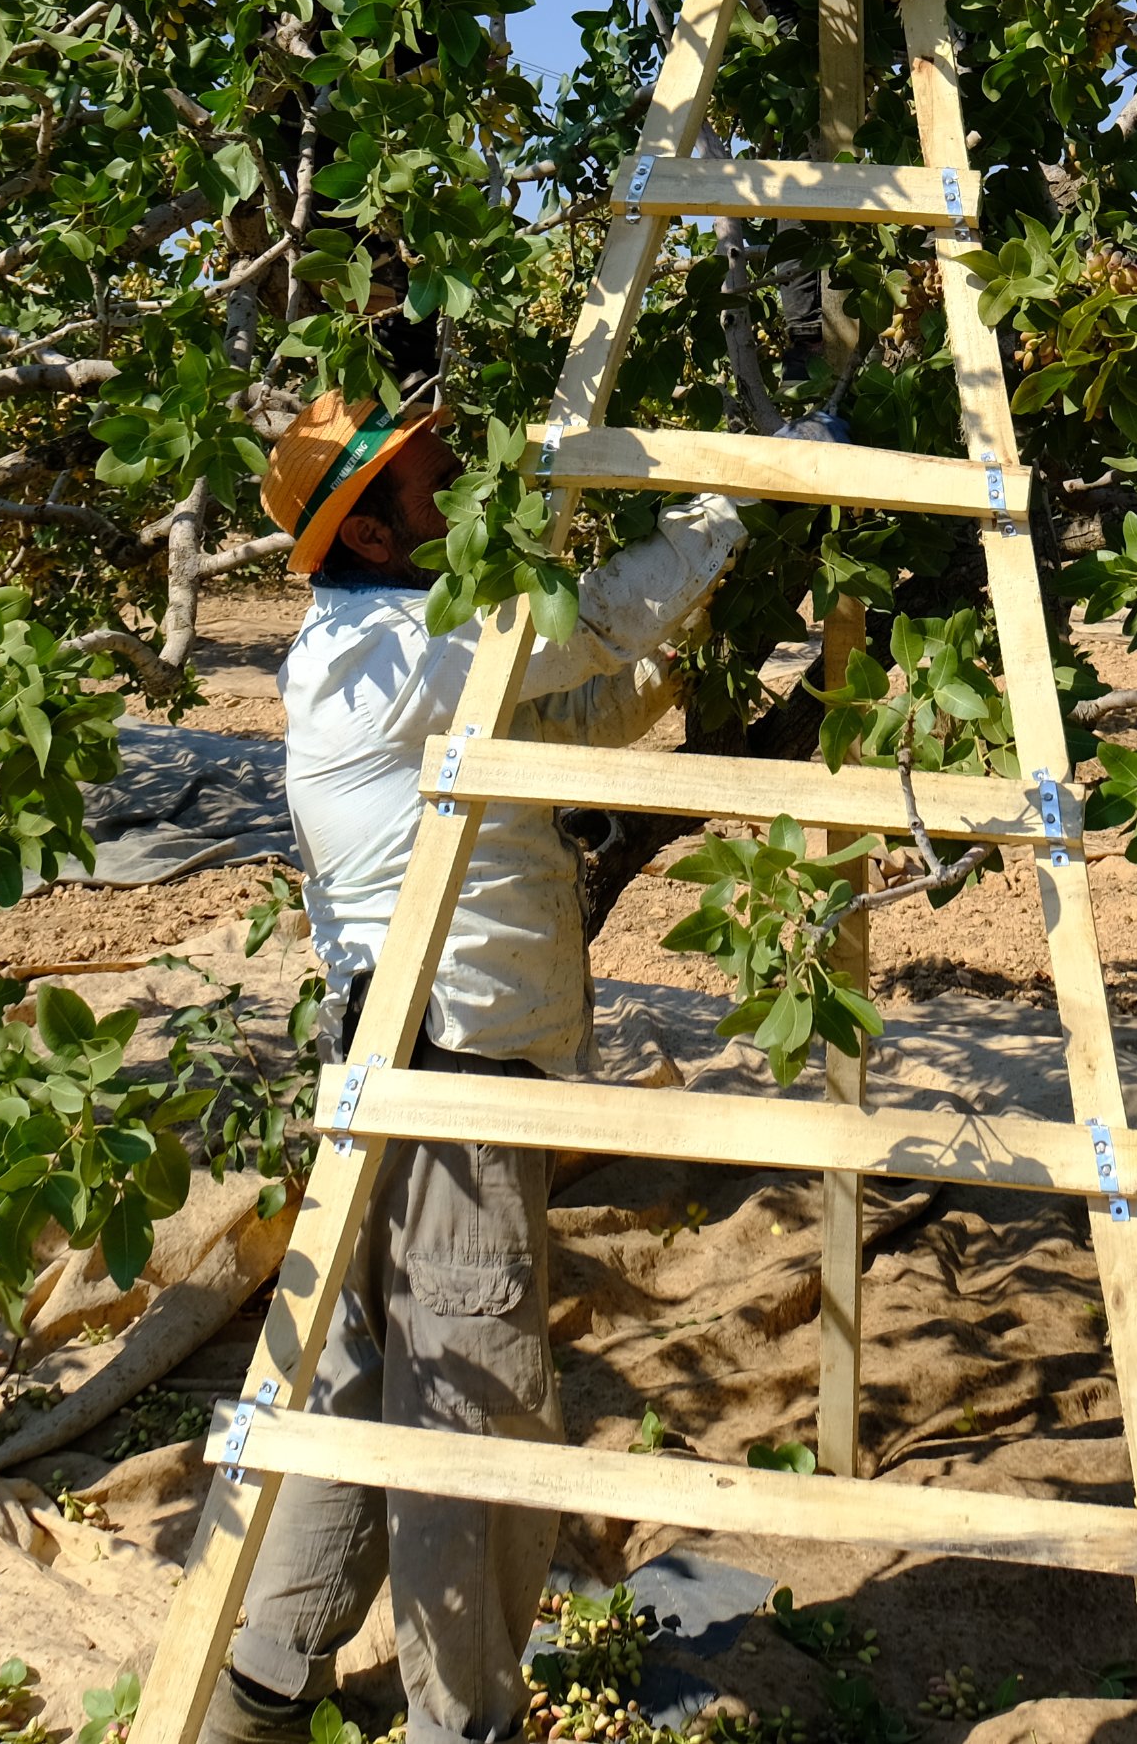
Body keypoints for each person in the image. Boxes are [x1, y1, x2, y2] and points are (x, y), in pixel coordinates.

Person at [206, 389, 751, 1744]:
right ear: (380, 536)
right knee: (475, 1403)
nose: (474, 494)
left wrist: (689, 668)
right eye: (441, 482)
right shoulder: (411, 638)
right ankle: (468, 1722)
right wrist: (736, 497)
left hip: (396, 1056)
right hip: (448, 1072)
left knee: (367, 1371)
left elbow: (571, 720)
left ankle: (262, 1684)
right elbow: (602, 614)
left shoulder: (387, 647)